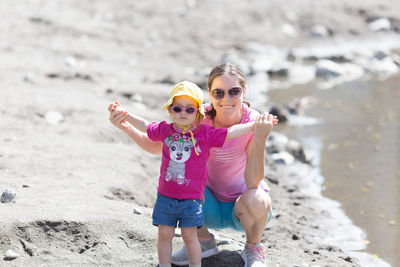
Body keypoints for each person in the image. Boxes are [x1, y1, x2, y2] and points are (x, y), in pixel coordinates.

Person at [108, 63, 277, 267]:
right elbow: (160, 147)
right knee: (181, 184)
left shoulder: (254, 122)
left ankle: (253, 248)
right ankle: (204, 241)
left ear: (244, 91)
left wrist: (259, 138)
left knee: (258, 197)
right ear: (209, 93)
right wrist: (126, 127)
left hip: (241, 208)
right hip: (206, 204)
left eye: (234, 91)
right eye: (219, 92)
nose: (226, 99)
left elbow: (252, 182)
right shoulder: (197, 117)